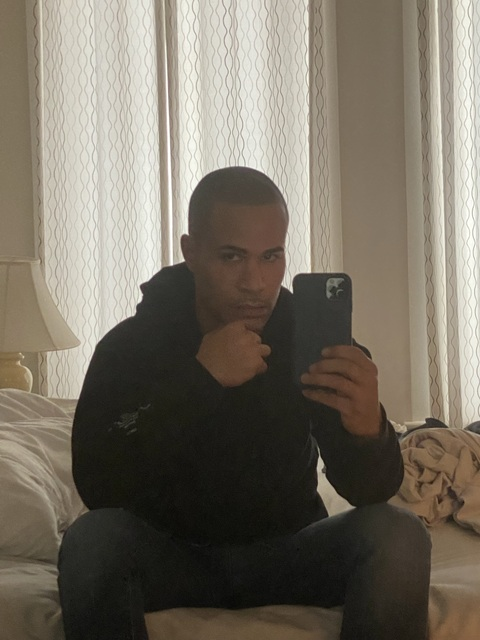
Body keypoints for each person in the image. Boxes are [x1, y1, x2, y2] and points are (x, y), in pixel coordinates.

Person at [58, 167, 431, 640]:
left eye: (271, 256)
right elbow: (100, 487)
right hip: (170, 555)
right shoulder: (131, 346)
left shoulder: (305, 340)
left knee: (399, 533)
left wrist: (368, 431)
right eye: (232, 256)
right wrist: (200, 381)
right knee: (89, 542)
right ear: (191, 252)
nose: (255, 282)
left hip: (289, 551)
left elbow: (368, 491)